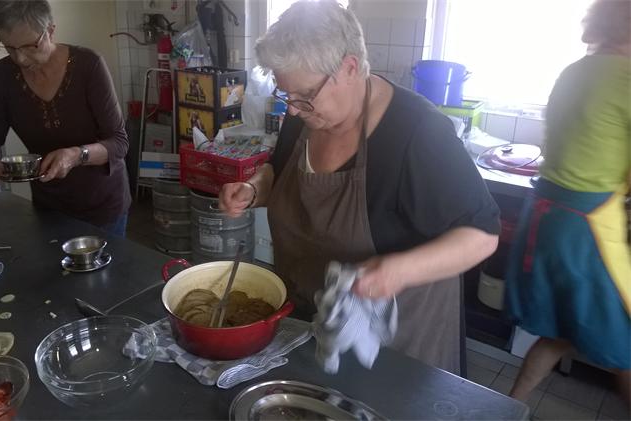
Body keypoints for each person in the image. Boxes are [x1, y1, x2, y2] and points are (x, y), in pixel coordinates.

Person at [218, 0, 500, 374]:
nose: (294, 109)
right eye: (287, 95)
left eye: (304, 95)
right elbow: (280, 172)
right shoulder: (306, 115)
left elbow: (483, 235)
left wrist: (396, 272)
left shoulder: (418, 132)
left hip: (398, 351)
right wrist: (254, 189)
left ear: (349, 68)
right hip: (312, 326)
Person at [506, 0, 630, 403]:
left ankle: (509, 409)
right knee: (626, 345)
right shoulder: (627, 78)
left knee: (560, 332)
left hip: (545, 219)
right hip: (587, 229)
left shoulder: (573, 71)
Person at [0, 0, 131, 236]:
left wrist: (76, 155)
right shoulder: (3, 75)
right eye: (10, 48)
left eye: (30, 46)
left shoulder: (88, 65)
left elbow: (119, 142)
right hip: (49, 206)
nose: (21, 58)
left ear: (50, 31)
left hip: (101, 204)